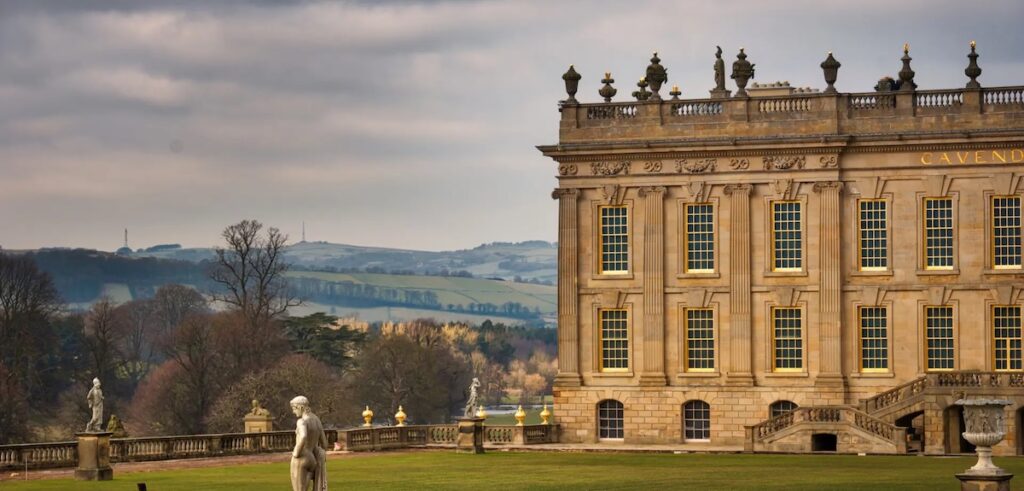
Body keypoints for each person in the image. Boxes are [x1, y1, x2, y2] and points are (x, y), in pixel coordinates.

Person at [290, 396, 328, 491]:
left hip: (301, 458)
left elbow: (303, 436)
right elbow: (324, 444)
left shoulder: (301, 421)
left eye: (294, 408)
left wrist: (296, 453)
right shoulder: (316, 420)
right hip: (312, 459)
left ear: (301, 407)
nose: (293, 412)